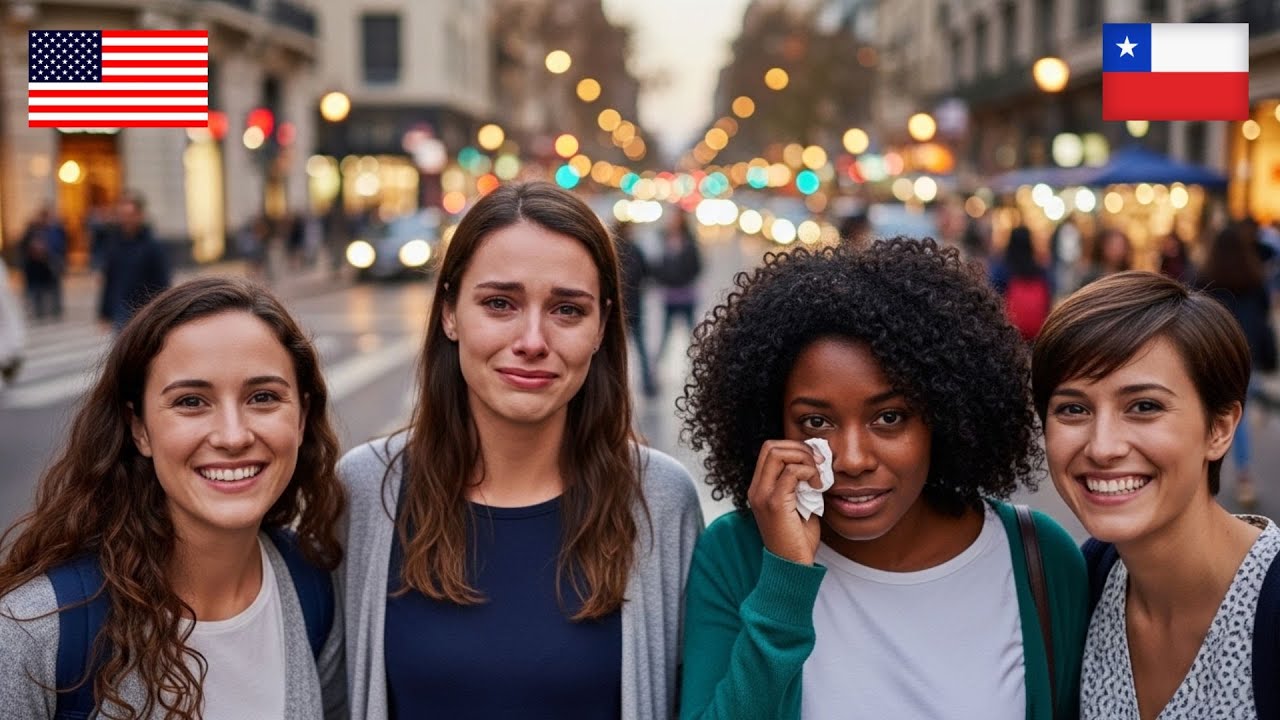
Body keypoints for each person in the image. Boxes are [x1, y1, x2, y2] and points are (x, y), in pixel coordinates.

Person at [678, 238, 1087, 720]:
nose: (852, 458)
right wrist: (784, 582)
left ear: (944, 414)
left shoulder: (1039, 558)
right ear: (773, 425)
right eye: (816, 422)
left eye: (889, 418)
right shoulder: (736, 556)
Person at [337, 181, 702, 720]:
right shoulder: (367, 491)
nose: (532, 340)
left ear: (603, 325)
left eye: (567, 310)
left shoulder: (661, 501)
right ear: (449, 313)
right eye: (500, 303)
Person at [0, 276, 346, 718]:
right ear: (139, 428)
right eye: (190, 402)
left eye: (263, 397)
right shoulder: (34, 631)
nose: (233, 436)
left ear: (301, 419)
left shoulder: (314, 589)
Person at [1031, 271, 1280, 719]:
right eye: (1073, 409)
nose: (1103, 446)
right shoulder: (1085, 583)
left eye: (1144, 406)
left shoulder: (1271, 601)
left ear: (1219, 428)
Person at [1196, 222, 1276, 508]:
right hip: (1246, 356)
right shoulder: (1255, 279)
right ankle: (1243, 476)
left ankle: (1201, 476)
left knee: (1207, 414)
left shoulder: (1205, 278)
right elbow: (1264, 318)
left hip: (1213, 356)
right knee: (1236, 417)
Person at [99, 192, 171, 331]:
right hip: (120, 310)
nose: (126, 220)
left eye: (130, 215)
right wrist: (104, 312)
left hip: (145, 311)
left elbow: (162, 281)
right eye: (122, 215)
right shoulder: (114, 244)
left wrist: (162, 312)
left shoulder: (152, 246)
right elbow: (109, 280)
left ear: (140, 215)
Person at [653, 207, 702, 364]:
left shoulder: (690, 242)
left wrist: (682, 277)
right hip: (670, 295)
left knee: (692, 334)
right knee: (665, 335)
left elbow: (697, 266)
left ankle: (700, 362)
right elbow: (657, 265)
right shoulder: (663, 240)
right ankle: (656, 369)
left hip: (686, 294)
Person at [614, 220, 657, 397]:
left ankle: (617, 385)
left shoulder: (614, 250)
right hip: (633, 306)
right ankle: (647, 385)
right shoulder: (634, 249)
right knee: (639, 349)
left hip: (621, 307)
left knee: (618, 350)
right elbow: (647, 273)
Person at [991, 225, 1054, 341]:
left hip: (1009, 332)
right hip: (1036, 332)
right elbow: (1048, 301)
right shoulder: (1041, 271)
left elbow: (993, 299)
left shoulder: (1002, 269)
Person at [19, 206, 66, 321]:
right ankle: (40, 310)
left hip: (51, 262)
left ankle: (55, 309)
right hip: (35, 266)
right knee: (36, 289)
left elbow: (60, 244)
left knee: (54, 287)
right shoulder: (32, 231)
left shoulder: (55, 229)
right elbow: (23, 247)